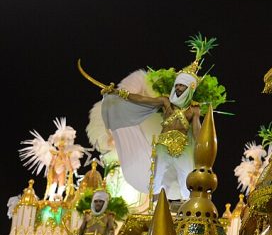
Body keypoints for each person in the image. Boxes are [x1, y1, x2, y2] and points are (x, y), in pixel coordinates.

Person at [82, 34, 226, 202]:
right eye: (178, 85)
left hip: (184, 149)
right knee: (156, 183)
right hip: (163, 147)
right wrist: (120, 93)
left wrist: (201, 148)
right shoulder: (165, 101)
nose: (179, 88)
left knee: (187, 184)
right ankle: (156, 216)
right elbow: (143, 100)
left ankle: (188, 216)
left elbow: (197, 134)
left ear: (191, 88)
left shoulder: (193, 109)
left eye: (183, 86)